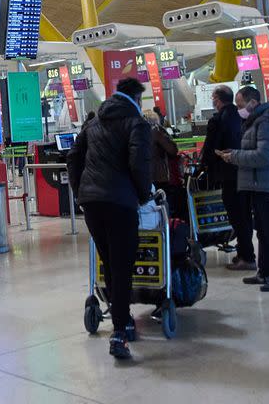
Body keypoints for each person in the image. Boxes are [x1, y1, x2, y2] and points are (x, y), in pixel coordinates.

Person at [67, 78, 152, 360]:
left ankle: (122, 318)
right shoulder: (136, 124)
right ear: (137, 99)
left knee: (109, 262)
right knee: (122, 265)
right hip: (120, 202)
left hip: (92, 204)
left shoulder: (93, 123)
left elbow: (73, 158)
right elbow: (139, 163)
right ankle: (119, 330)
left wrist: (80, 192)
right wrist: (142, 195)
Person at [218, 87, 269, 292]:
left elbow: (265, 156)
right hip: (259, 184)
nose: (239, 109)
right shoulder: (254, 121)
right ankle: (265, 271)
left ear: (253, 102)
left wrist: (234, 156)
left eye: (241, 105)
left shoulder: (268, 121)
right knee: (263, 231)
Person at [201, 85, 255, 271]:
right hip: (245, 171)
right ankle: (244, 253)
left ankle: (247, 257)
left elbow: (210, 148)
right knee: (244, 215)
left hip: (228, 173)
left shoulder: (219, 119)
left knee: (237, 216)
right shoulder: (242, 117)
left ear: (217, 99)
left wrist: (204, 166)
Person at [145, 110, 185, 218]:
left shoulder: (137, 134)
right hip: (160, 177)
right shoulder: (157, 132)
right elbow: (173, 149)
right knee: (165, 209)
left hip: (145, 178)